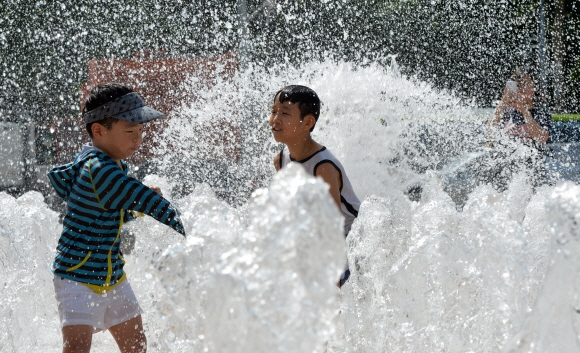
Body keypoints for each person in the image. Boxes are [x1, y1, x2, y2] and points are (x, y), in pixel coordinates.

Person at [48, 82, 186, 353]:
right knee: (77, 348)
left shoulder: (112, 164)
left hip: (112, 277)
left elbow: (111, 212)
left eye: (141, 131)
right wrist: (187, 229)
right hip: (77, 277)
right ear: (99, 131)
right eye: (130, 131)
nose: (138, 139)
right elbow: (149, 203)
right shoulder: (98, 169)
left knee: (136, 346)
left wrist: (132, 206)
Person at [269, 85, 360, 287]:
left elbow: (333, 225)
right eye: (274, 111)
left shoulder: (323, 166)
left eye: (284, 113)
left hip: (351, 242)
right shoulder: (280, 160)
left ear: (307, 122)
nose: (275, 119)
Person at [488, 67, 552, 144]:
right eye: (518, 85)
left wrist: (525, 112)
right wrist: (502, 103)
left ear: (534, 88)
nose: (521, 89)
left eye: (525, 85)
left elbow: (542, 138)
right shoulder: (506, 111)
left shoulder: (540, 113)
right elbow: (489, 134)